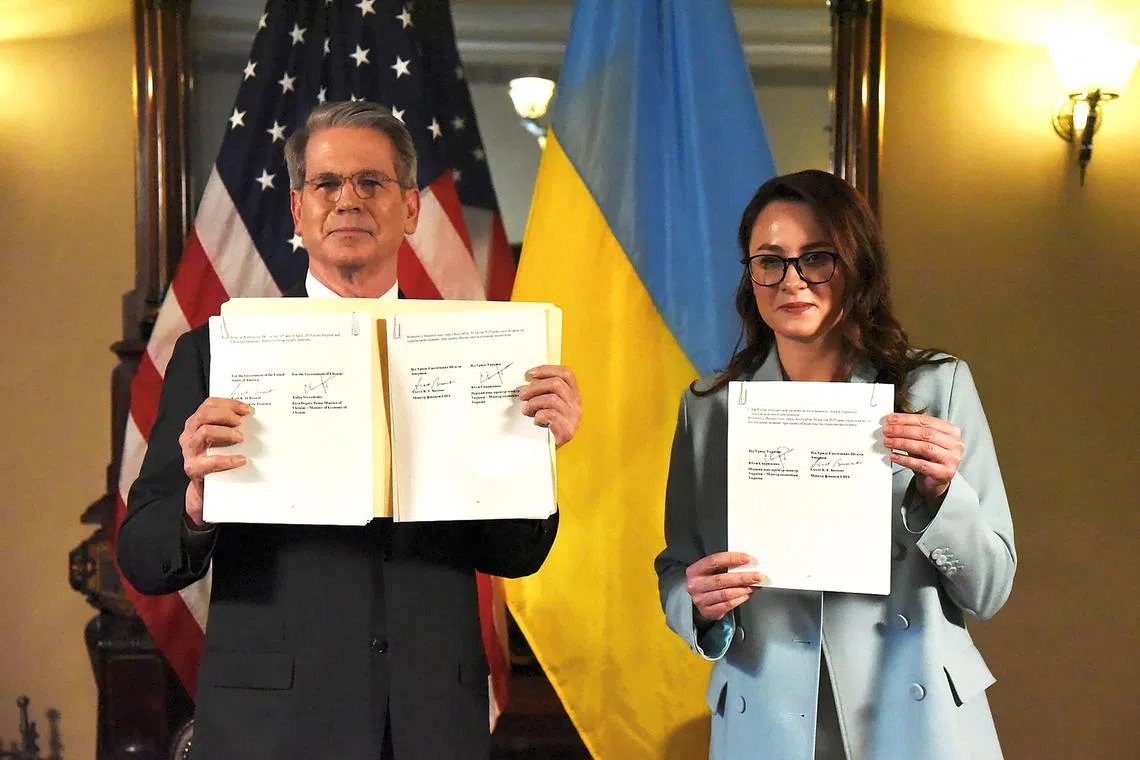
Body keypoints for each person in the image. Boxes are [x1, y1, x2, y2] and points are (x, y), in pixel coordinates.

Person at [117, 101, 582, 760]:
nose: (348, 201)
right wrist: (196, 506)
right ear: (298, 210)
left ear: (412, 207)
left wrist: (536, 459)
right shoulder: (216, 354)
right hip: (272, 729)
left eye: (371, 182)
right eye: (327, 184)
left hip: (431, 725)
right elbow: (141, 553)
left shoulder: (478, 353)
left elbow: (514, 554)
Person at [654, 170, 1015, 760]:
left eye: (816, 258)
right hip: (765, 717)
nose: (792, 280)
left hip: (913, 717)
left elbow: (991, 589)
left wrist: (943, 493)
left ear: (855, 265)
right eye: (769, 260)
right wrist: (694, 603)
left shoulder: (936, 386)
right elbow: (677, 565)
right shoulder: (710, 407)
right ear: (750, 276)